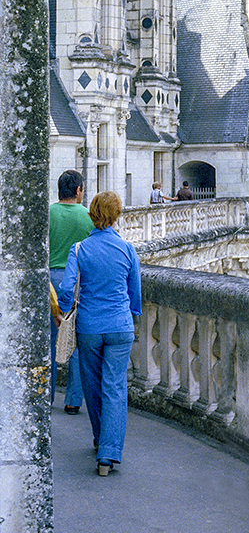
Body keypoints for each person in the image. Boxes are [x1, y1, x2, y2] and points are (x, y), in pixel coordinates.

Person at [58, 191, 142, 476]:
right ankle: (109, 452)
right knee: (115, 388)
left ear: (92, 215)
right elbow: (135, 292)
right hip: (120, 325)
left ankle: (99, 439)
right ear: (117, 215)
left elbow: (66, 288)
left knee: (92, 386)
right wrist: (130, 314)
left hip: (90, 326)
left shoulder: (79, 249)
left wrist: (64, 311)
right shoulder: (127, 249)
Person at [50, 169, 93, 412]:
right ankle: (73, 400)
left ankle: (45, 396)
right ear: (78, 190)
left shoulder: (48, 213)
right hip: (75, 280)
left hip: (48, 280)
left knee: (49, 339)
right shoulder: (87, 216)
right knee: (75, 340)